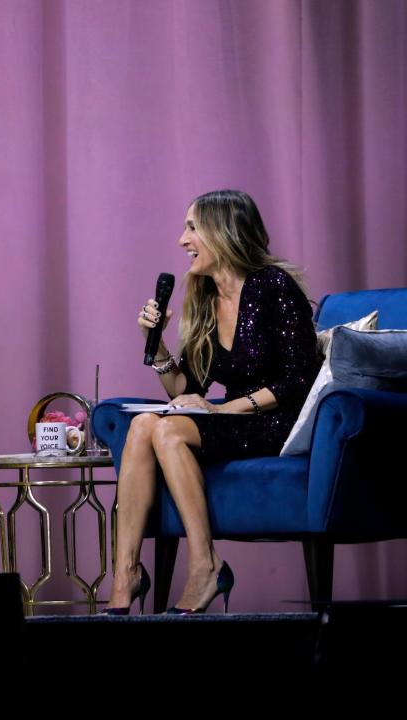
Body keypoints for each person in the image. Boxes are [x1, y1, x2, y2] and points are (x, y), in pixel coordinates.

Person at [106, 189, 320, 614]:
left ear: (222, 232)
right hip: (234, 418)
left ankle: (205, 566)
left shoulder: (272, 286)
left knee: (165, 428)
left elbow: (299, 380)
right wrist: (158, 344)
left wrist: (225, 409)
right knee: (144, 424)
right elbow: (189, 385)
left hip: (278, 419)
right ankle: (127, 572)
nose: (182, 240)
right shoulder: (204, 296)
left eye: (192, 228)